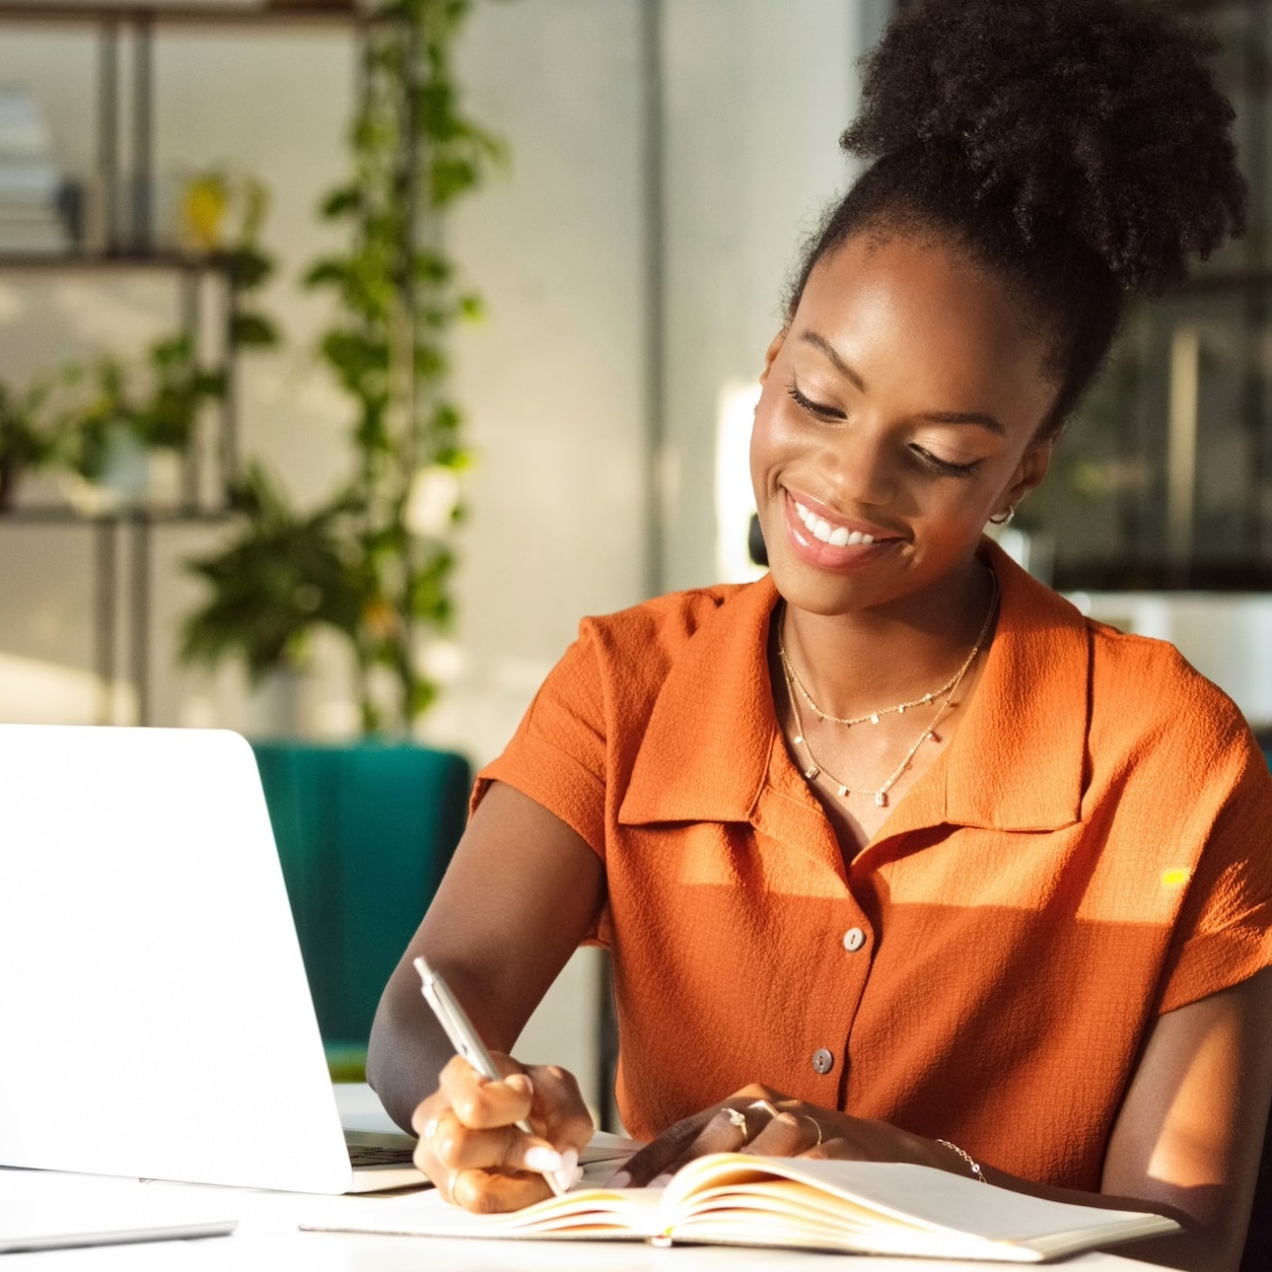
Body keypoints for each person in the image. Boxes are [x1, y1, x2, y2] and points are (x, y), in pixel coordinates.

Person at [367, 1, 1272, 1267]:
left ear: (1024, 471)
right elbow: (429, 1003)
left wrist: (904, 1166)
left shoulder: (1169, 758)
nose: (847, 482)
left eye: (942, 454)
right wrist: (470, 1101)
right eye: (816, 396)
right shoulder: (627, 683)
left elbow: (1186, 1238)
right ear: (774, 351)